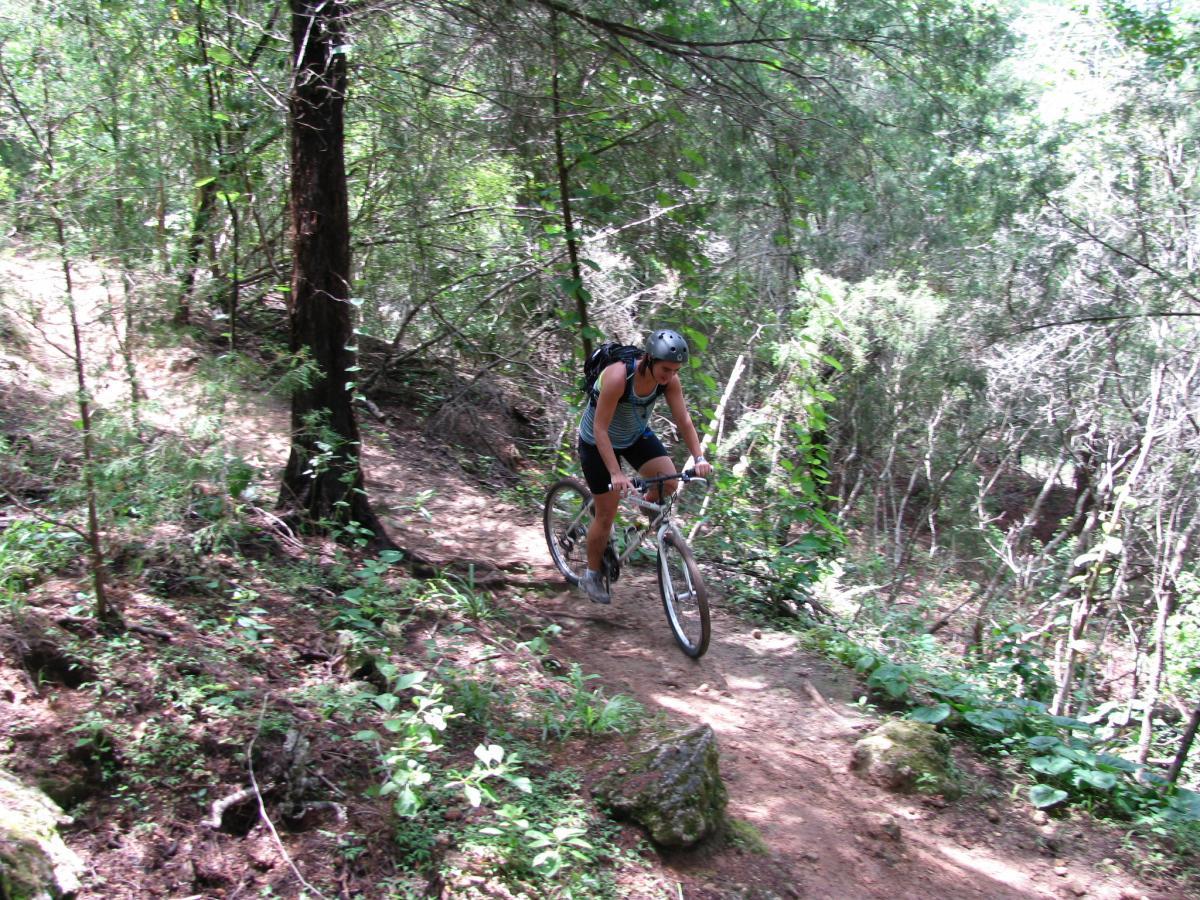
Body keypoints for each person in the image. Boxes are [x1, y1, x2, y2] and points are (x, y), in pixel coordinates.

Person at [576, 328, 713, 604]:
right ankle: (591, 575)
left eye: (675, 370)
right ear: (649, 359)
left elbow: (684, 420)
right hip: (596, 442)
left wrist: (699, 458)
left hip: (633, 437)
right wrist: (616, 473)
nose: (670, 375)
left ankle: (642, 513)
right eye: (666, 368)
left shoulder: (669, 382)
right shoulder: (618, 377)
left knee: (668, 481)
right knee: (606, 513)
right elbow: (601, 430)